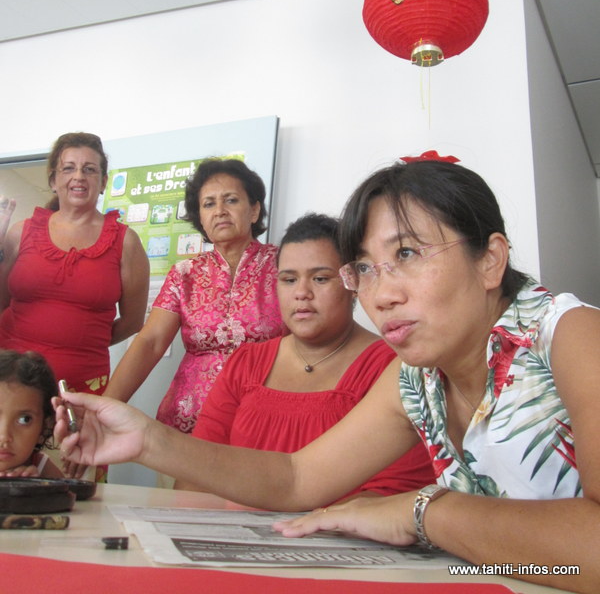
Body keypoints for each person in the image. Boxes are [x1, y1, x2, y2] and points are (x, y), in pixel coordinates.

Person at [54, 153, 600, 593]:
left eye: (407, 253)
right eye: (364, 267)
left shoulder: (571, 337)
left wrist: (422, 512)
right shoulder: (418, 378)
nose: (381, 295)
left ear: (490, 260)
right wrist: (144, 438)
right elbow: (296, 478)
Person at [175, 212, 434, 498]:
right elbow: (199, 472)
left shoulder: (393, 368)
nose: (301, 293)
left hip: (339, 537)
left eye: (320, 278)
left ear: (353, 284)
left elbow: (396, 493)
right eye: (288, 280)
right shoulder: (245, 363)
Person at [104, 158, 284, 434]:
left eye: (231, 200)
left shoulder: (284, 266)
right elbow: (150, 342)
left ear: (254, 210)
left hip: (263, 423)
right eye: (209, 204)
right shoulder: (184, 273)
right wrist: (105, 409)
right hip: (187, 426)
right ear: (200, 216)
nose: (220, 211)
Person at [0, 132, 149, 399]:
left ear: (103, 182)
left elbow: (132, 321)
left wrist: (81, 343)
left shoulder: (126, 243)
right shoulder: (20, 232)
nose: (78, 176)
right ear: (53, 180)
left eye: (89, 169)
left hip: (81, 389)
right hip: (10, 383)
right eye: (68, 168)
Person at [0, 349, 63, 478]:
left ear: (45, 427)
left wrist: (37, 489)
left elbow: (69, 495)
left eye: (25, 419)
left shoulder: (40, 467)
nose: (4, 436)